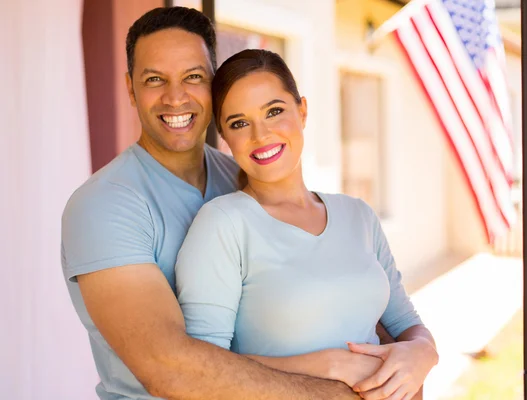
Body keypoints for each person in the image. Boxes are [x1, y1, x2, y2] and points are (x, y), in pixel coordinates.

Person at [61, 6, 408, 400]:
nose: (175, 97)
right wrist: (341, 387)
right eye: (154, 80)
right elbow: (170, 370)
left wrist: (409, 356)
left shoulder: (244, 176)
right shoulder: (105, 206)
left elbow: (339, 291)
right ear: (130, 89)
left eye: (193, 77)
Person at [175, 49, 439, 400]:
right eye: (239, 123)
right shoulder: (223, 223)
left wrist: (423, 353)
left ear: (302, 110)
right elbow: (202, 372)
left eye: (274, 111)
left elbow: (406, 324)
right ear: (224, 135)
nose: (261, 134)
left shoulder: (357, 215)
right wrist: (328, 365)